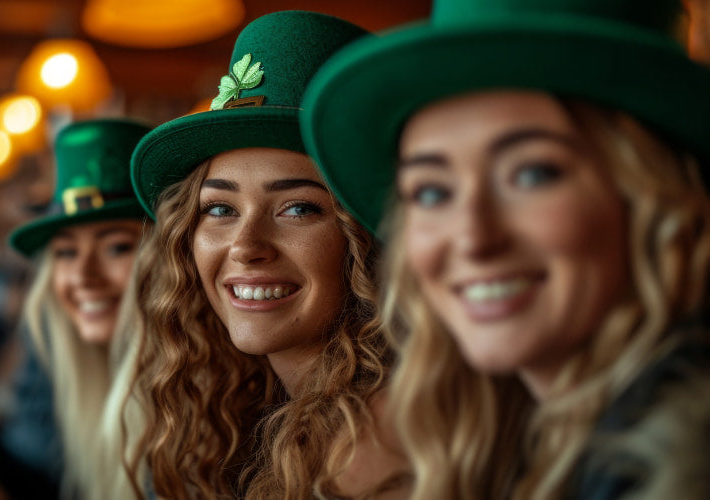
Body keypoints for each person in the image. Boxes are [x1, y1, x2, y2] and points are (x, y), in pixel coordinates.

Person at [300, 0, 710, 498]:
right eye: (432, 192)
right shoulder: (538, 442)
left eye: (532, 174)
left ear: (653, 197)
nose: (474, 238)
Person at [112, 10, 406, 499]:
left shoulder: (379, 442)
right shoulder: (246, 406)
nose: (246, 246)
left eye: (297, 208)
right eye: (221, 208)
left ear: (371, 239)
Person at [3, 118, 151, 498]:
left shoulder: (204, 393)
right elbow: (25, 453)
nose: (83, 275)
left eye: (117, 246)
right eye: (66, 252)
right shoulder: (58, 346)